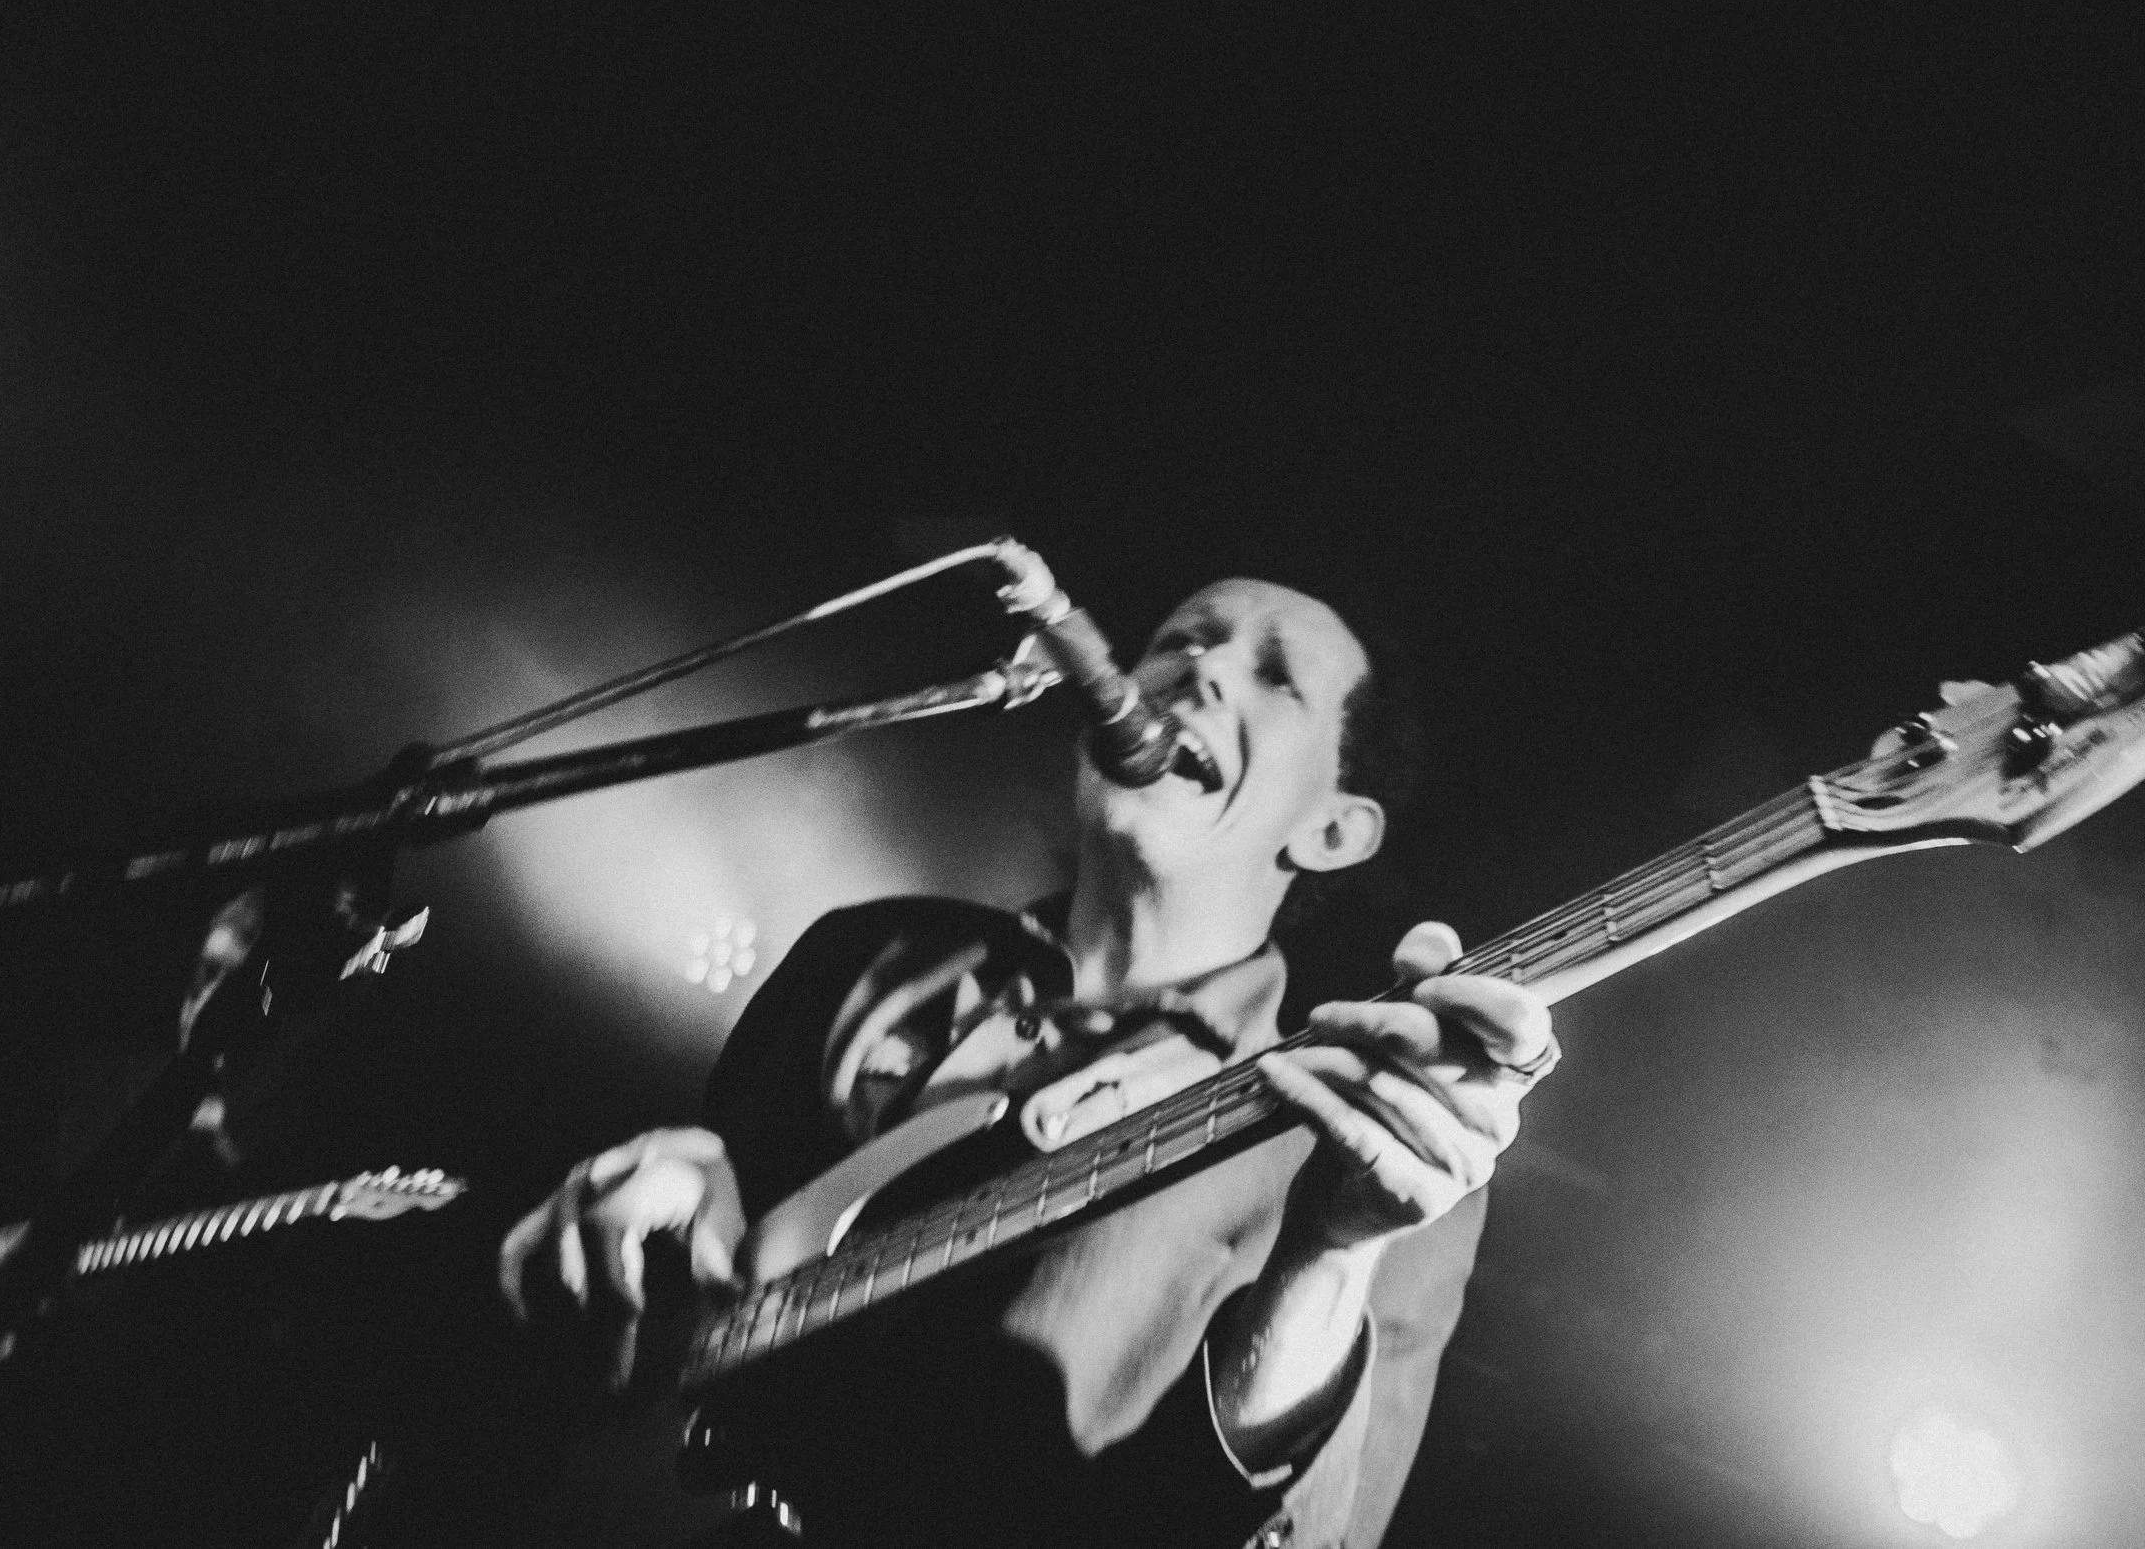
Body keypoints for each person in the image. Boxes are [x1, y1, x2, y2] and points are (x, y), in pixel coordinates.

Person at [498, 578, 1558, 1549]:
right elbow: (668, 1328)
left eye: (1273, 675)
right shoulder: (867, 951)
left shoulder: (1344, 1128)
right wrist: (656, 1197)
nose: (1201, 668)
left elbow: (1319, 1532)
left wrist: (1328, 1255)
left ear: (1332, 829)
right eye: (1180, 638)